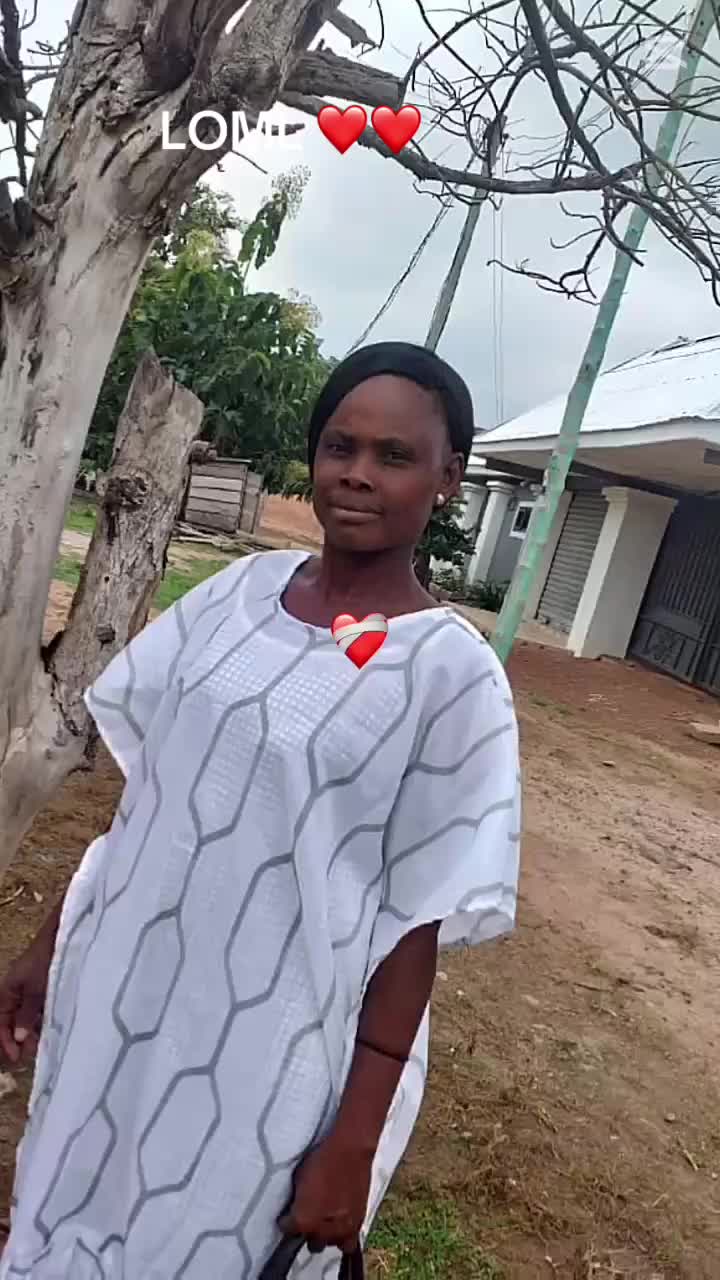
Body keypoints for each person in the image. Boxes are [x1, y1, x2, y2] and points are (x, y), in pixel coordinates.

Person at [0, 341, 521, 1280]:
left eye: (395, 456)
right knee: (66, 1216)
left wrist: (354, 1143)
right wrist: (53, 947)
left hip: (266, 1052)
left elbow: (417, 924)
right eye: (340, 446)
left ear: (449, 479)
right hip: (121, 997)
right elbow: (152, 798)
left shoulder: (453, 677)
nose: (357, 474)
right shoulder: (239, 595)